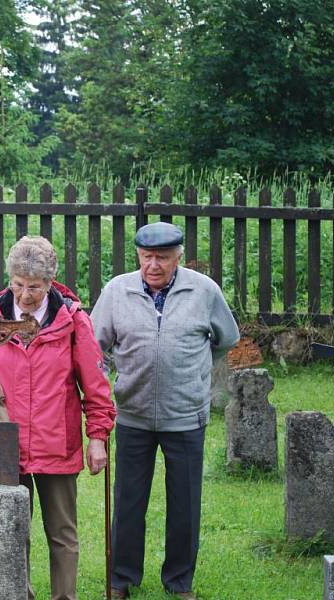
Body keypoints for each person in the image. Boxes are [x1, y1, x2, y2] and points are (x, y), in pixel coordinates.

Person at [0, 235, 116, 600]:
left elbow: (95, 385)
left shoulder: (72, 321)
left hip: (55, 442)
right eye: (17, 285)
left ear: (50, 283)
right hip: (4, 439)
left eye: (34, 287)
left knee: (62, 533)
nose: (24, 295)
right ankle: (20, 594)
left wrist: (97, 437)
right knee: (13, 528)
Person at [90, 222, 239, 600]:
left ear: (178, 258)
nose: (152, 265)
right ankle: (121, 579)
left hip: (186, 416)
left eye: (162, 258)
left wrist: (194, 371)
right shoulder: (116, 291)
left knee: (185, 505)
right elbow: (95, 347)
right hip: (133, 414)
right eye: (146, 257)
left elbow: (226, 339)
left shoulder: (203, 290)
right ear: (138, 255)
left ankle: (179, 582)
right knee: (128, 501)